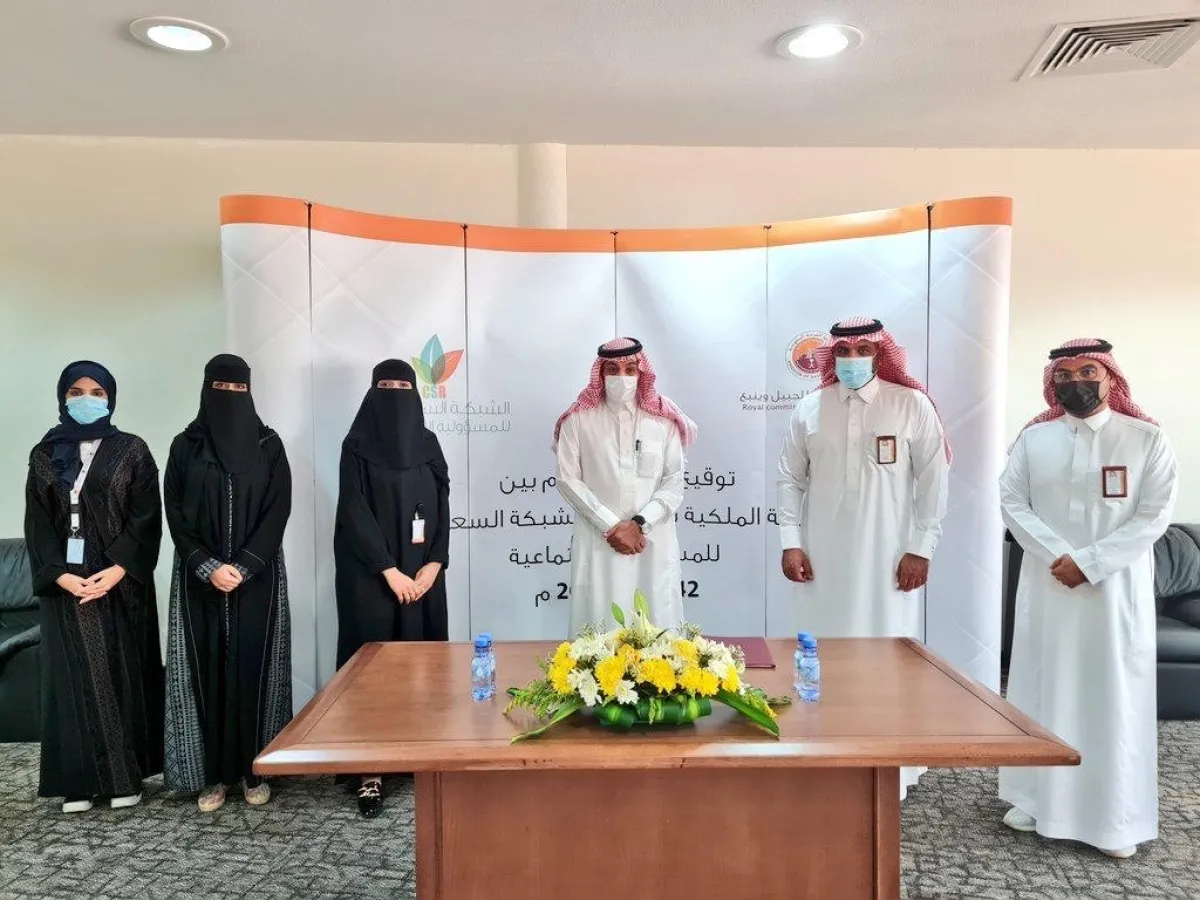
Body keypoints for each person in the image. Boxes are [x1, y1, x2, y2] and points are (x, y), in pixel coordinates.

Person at [999, 338, 1177, 859]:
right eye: (1064, 375)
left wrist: (1092, 563)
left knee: (1111, 697)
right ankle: (1035, 798)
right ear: (1051, 382)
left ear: (1110, 378)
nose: (1075, 382)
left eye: (1087, 372)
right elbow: (1011, 501)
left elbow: (1154, 515)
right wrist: (1060, 556)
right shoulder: (1034, 440)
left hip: (1114, 594)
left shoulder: (1145, 439)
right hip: (1049, 585)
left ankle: (1115, 818)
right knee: (1042, 687)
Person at [776, 316, 950, 798]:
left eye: (862, 351)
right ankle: (820, 756)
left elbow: (934, 481)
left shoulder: (911, 404)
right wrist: (790, 541)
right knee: (823, 654)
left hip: (888, 558)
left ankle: (892, 765)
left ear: (879, 354)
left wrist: (921, 548)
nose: (852, 360)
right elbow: (789, 478)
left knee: (886, 656)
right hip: (821, 560)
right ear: (831, 356)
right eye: (843, 353)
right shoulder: (810, 407)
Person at [24, 361, 164, 813]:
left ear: (110, 398)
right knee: (72, 679)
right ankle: (78, 783)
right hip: (67, 582)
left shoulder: (132, 449)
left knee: (120, 674)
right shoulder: (44, 454)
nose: (87, 399)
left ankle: (125, 778)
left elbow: (146, 516)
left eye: (97, 392)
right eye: (76, 391)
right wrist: (59, 574)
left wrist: (119, 568)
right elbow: (37, 523)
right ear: (63, 397)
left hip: (119, 581)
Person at [163, 354, 293, 813]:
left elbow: (278, 510)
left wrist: (246, 566)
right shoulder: (185, 446)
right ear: (206, 389)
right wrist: (207, 566)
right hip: (201, 581)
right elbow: (175, 514)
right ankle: (213, 775)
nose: (232, 397)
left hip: (257, 579)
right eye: (223, 388)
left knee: (255, 669)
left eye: (240, 389)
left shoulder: (269, 445)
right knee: (207, 673)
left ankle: (255, 769)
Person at [335, 360, 450, 818]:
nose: (395, 392)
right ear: (372, 392)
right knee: (373, 674)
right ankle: (371, 768)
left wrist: (435, 563)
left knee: (423, 664)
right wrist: (388, 570)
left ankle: (421, 754)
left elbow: (443, 505)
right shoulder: (356, 446)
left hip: (423, 578)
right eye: (387, 385)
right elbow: (353, 512)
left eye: (404, 385)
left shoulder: (429, 443)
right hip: (373, 578)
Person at [554, 337, 696, 633]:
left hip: (653, 541)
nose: (623, 377)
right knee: (598, 629)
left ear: (642, 372)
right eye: (613, 370)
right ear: (600, 373)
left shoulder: (664, 421)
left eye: (631, 369)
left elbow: (674, 481)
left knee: (658, 628)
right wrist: (611, 525)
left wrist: (640, 524)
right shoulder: (578, 420)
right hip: (599, 541)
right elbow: (568, 479)